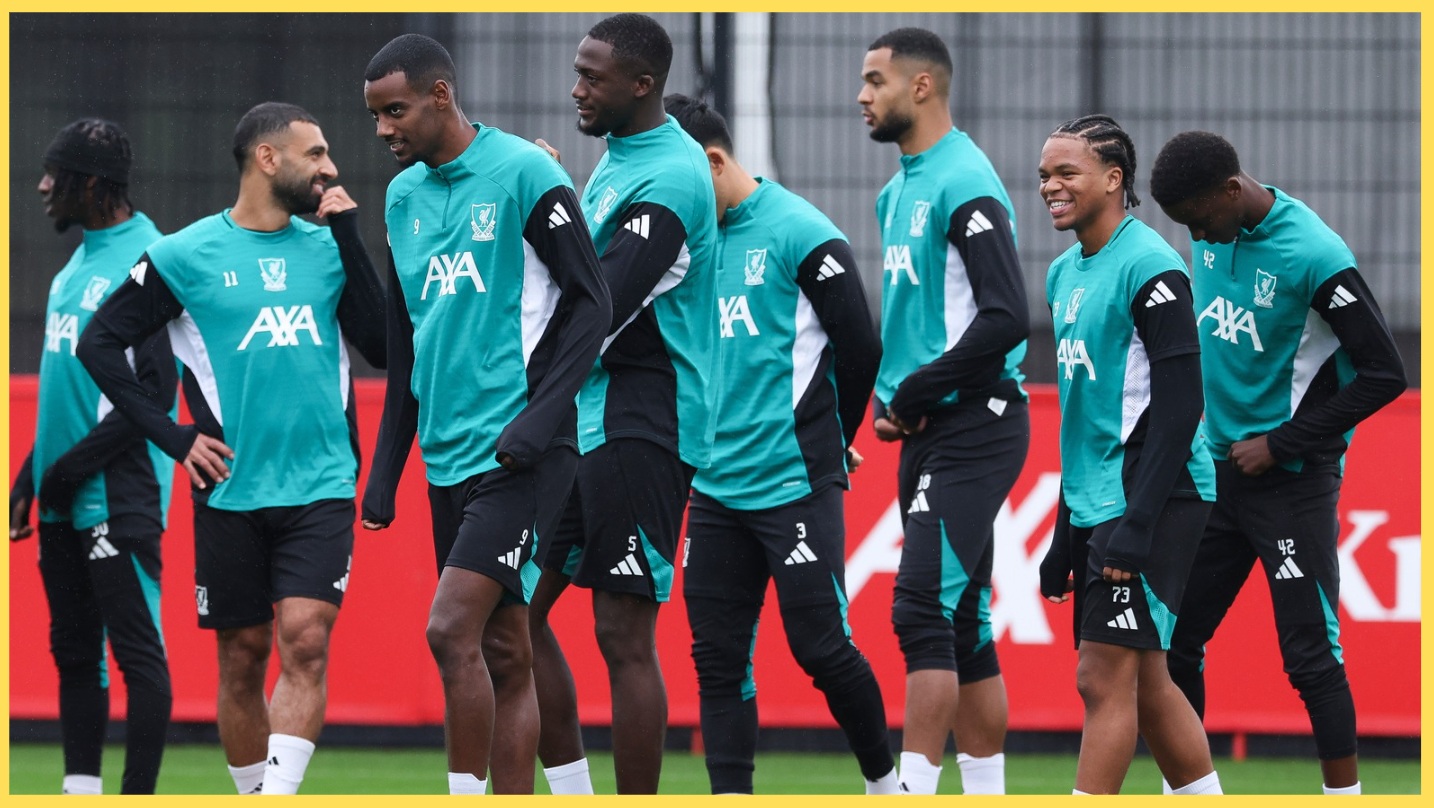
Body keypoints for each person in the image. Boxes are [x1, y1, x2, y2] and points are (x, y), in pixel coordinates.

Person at [76, 101, 386, 795]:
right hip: (229, 488)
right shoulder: (184, 256)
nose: (330, 167)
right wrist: (174, 437)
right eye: (316, 153)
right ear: (267, 159)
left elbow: (383, 348)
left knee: (305, 639)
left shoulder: (330, 246)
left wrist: (349, 235)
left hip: (322, 482)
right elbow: (96, 343)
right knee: (242, 658)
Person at [358, 34, 611, 796]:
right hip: (445, 455)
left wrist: (542, 418)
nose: (382, 130)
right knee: (506, 648)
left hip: (521, 452)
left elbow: (591, 303)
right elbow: (407, 345)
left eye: (393, 111)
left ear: (440, 96)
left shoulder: (525, 173)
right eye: (374, 116)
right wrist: (386, 469)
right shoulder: (402, 199)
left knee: (448, 630)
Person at [1150, 131, 1407, 796]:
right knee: (1174, 645)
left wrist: (1284, 442)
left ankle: (1343, 797)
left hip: (1290, 481)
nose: (1199, 235)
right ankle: (1193, 790)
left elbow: (1385, 373)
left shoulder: (1315, 255)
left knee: (1311, 657)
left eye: (1201, 221)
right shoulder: (1210, 225)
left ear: (1232, 192)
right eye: (1187, 227)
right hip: (1214, 476)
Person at [663, 94, 897, 795]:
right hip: (711, 487)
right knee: (718, 659)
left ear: (711, 160)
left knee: (822, 649)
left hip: (793, 481)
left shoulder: (801, 231)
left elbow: (862, 346)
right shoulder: (685, 244)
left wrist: (835, 437)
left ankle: (887, 786)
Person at [528, 13, 719, 795]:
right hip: (590, 415)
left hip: (647, 417)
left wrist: (546, 215)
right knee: (511, 614)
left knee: (622, 632)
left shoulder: (670, 177)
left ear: (642, 85)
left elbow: (601, 301)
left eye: (592, 76)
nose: (576, 88)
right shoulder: (617, 159)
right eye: (576, 70)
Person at [856, 27, 1028, 795]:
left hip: (978, 423)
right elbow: (923, 321)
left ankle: (911, 790)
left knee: (919, 608)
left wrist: (918, 390)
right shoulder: (897, 191)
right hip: (931, 427)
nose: (862, 97)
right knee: (963, 623)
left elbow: (1003, 319)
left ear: (921, 87)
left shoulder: (965, 179)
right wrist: (896, 396)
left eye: (874, 81)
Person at [1035, 114, 1221, 795]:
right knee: (1146, 680)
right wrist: (1064, 535)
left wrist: (1138, 521)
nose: (1051, 186)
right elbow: (1086, 422)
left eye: (1066, 173)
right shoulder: (1062, 276)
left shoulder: (1151, 266)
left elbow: (1181, 403)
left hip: (1159, 495)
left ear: (1115, 180)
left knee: (1101, 675)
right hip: (1103, 501)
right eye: (1044, 176)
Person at [8, 118, 175, 795]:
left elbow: (156, 398)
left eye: (57, 175)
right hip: (62, 495)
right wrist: (31, 473)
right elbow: (67, 390)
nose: (43, 187)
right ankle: (82, 794)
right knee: (75, 656)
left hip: (119, 495)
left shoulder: (153, 259)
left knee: (138, 660)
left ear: (94, 184)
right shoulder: (76, 263)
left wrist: (69, 468)